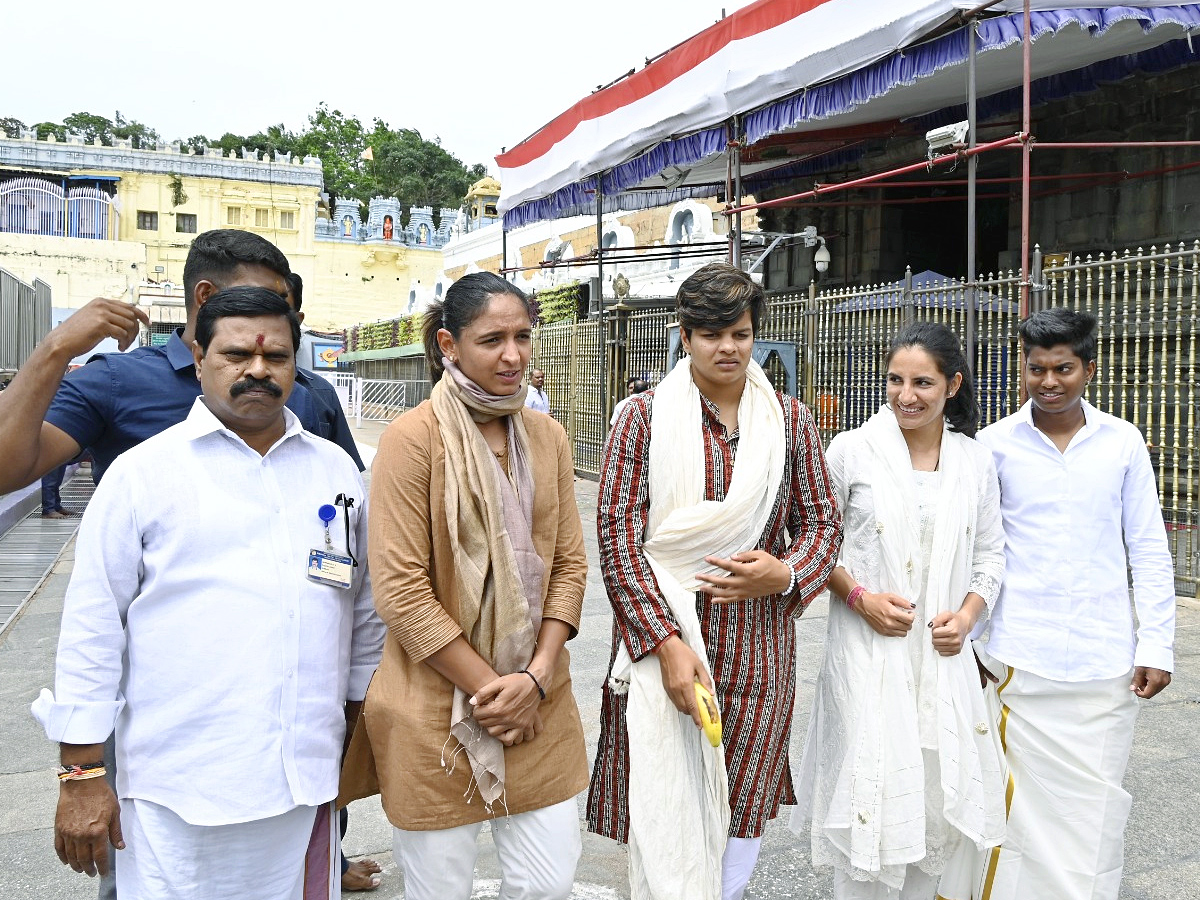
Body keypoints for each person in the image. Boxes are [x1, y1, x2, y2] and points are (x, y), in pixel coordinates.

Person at [0, 228, 365, 900]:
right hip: (178, 777)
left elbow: (356, 599)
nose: (258, 368)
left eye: (278, 352)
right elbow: (92, 626)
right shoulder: (140, 470)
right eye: (235, 351)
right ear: (199, 351)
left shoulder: (330, 457)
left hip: (302, 775)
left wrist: (364, 730)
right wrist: (81, 776)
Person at [587, 262, 842, 900]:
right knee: (663, 798)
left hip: (758, 652)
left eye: (741, 333)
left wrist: (785, 573)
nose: (727, 347)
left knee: (743, 804)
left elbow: (823, 527)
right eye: (710, 334)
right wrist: (667, 647)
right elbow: (619, 542)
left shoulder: (791, 422)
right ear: (684, 334)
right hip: (662, 646)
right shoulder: (641, 419)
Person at [345, 271, 589, 899]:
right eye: (492, 340)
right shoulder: (412, 439)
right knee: (439, 891)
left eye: (522, 337)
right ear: (449, 345)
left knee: (547, 885)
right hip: (435, 711)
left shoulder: (547, 436)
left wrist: (533, 681)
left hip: (539, 704)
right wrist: (494, 692)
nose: (513, 355)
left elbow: (568, 565)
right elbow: (401, 590)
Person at [791, 321, 1007, 900]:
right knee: (870, 798)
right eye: (895, 380)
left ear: (953, 385)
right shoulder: (851, 452)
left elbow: (990, 555)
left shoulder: (974, 461)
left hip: (941, 659)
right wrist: (860, 598)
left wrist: (965, 617)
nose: (906, 396)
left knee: (931, 811)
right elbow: (814, 545)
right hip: (867, 654)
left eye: (922, 383)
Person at [974, 307, 1175, 900]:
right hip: (1016, 660)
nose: (1049, 382)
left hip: (1103, 663)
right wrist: (976, 639)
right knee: (1010, 820)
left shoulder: (1122, 443)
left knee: (1091, 820)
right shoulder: (994, 446)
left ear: (1089, 368)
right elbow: (981, 553)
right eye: (1036, 369)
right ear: (1023, 368)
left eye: (1063, 368)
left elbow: (1149, 548)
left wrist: (1157, 643)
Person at [0, 228, 362, 496]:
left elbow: (341, 496)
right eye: (264, 297)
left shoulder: (296, 392)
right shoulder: (115, 381)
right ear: (205, 295)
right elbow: (7, 471)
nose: (281, 313)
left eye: (284, 301)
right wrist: (54, 349)